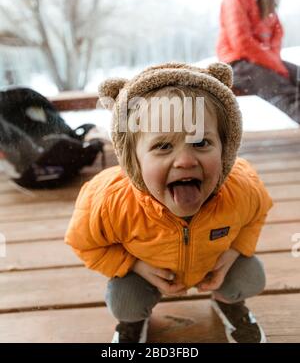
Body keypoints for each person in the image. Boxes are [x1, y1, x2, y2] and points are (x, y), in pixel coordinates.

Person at [65, 62, 273, 343]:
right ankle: (133, 323)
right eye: (163, 146)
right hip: (147, 272)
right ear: (133, 158)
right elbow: (84, 243)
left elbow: (256, 215)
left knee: (251, 276)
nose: (185, 160)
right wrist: (133, 265)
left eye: (201, 143)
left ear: (226, 147)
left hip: (212, 264)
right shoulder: (110, 203)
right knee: (125, 302)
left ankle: (228, 302)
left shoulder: (242, 188)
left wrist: (235, 252)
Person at [217, 0, 300, 124]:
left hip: (261, 60)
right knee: (288, 93)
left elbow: (276, 31)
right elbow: (242, 42)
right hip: (238, 64)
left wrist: (275, 61)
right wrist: (275, 65)